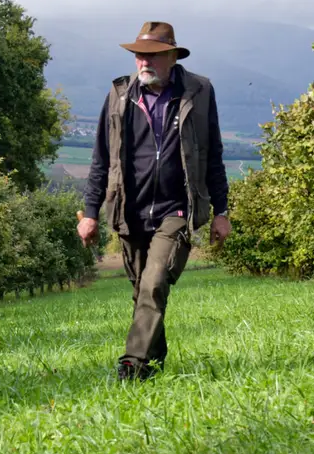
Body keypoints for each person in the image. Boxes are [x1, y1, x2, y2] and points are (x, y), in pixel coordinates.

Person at [78, 21, 231, 381]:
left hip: (176, 208)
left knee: (155, 282)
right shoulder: (119, 96)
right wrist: (90, 213)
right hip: (129, 209)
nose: (143, 62)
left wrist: (222, 212)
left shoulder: (199, 92)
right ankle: (154, 362)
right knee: (141, 291)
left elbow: (213, 156)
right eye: (138, 55)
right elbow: (102, 158)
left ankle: (132, 363)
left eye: (151, 55)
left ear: (171, 56)